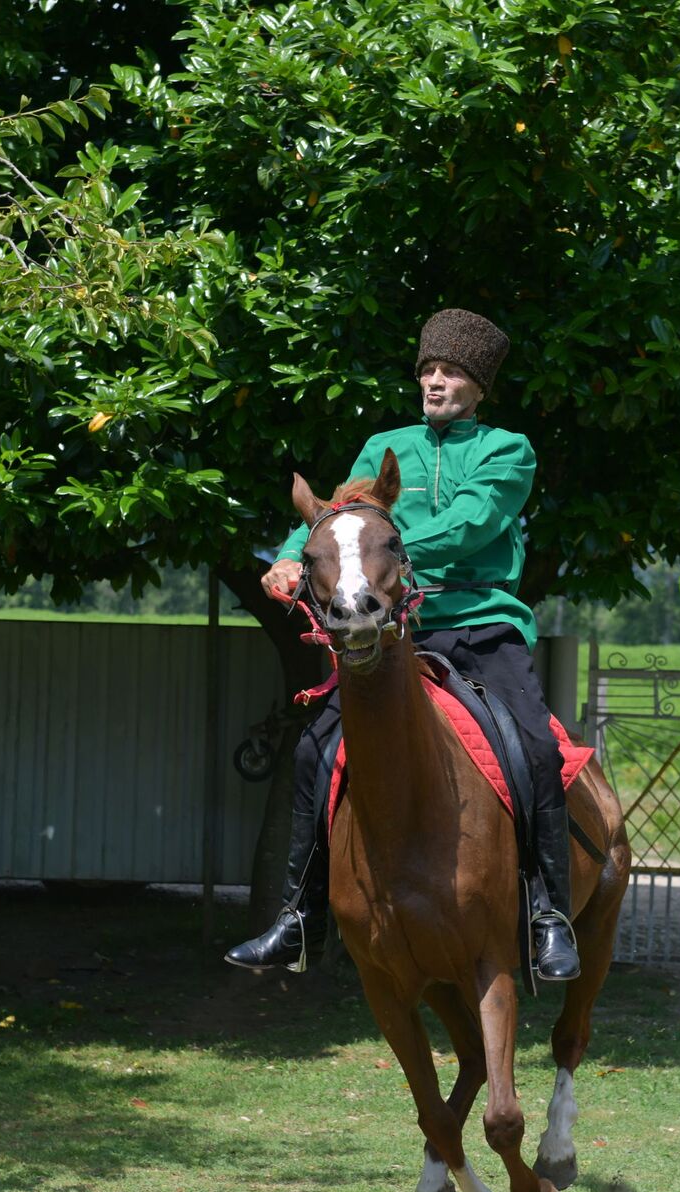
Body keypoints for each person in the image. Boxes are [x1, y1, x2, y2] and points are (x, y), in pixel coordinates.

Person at [225, 308, 581, 982]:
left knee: (536, 747)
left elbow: (474, 522)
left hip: (481, 624)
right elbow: (333, 518)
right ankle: (297, 919)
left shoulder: (509, 450)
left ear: (478, 385)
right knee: (314, 750)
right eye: (427, 370)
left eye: (450, 372)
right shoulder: (383, 444)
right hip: (396, 630)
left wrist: (382, 547)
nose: (435, 381)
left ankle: (548, 917)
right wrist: (290, 561)